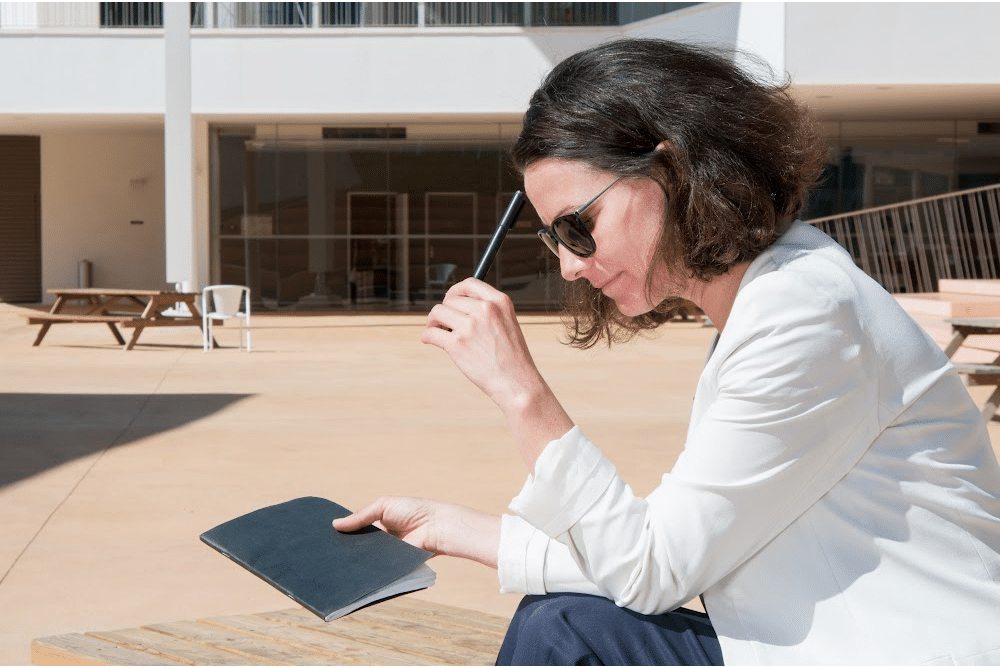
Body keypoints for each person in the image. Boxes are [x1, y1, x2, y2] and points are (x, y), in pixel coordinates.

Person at [334, 38, 1000, 665]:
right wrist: (446, 529)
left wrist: (520, 392)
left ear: (674, 169)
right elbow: (665, 547)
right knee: (565, 625)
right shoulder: (775, 298)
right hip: (815, 644)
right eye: (553, 238)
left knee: (563, 632)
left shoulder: (804, 314)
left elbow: (650, 570)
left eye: (577, 226)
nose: (568, 265)